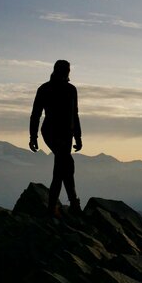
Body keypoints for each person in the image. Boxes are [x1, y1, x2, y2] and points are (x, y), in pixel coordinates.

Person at [29, 59, 82, 216]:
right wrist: (33, 136)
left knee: (63, 167)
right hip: (56, 133)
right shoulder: (67, 89)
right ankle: (67, 205)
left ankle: (58, 207)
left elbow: (74, 114)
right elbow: (36, 114)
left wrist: (78, 137)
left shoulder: (47, 89)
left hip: (63, 134)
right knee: (65, 165)